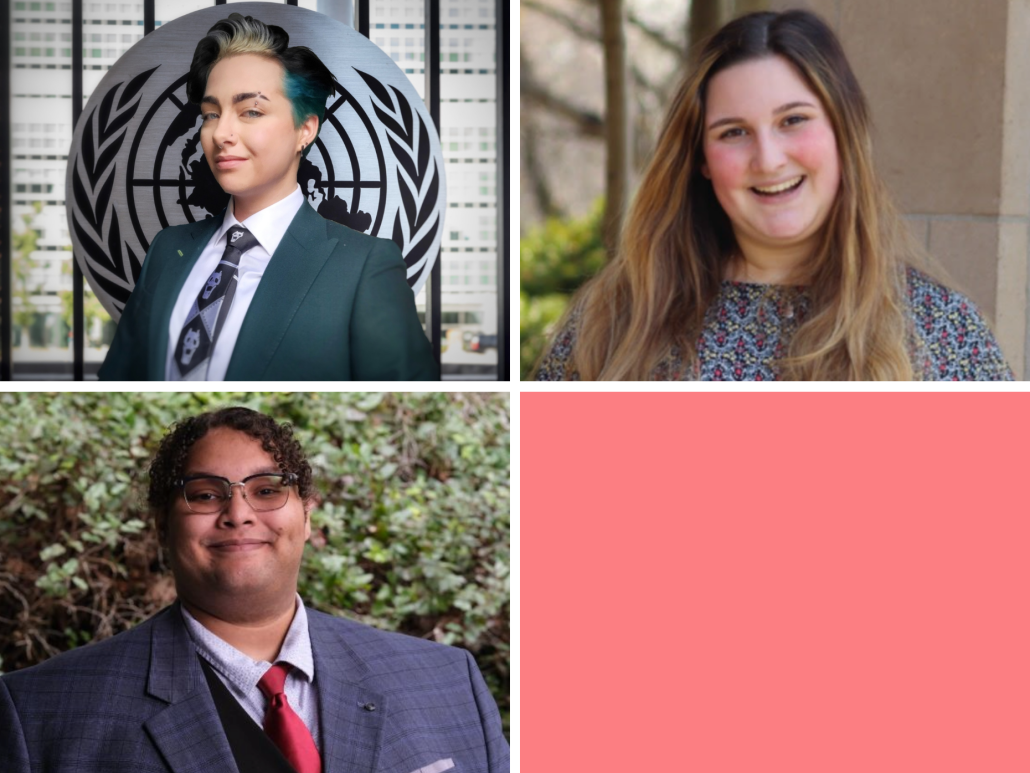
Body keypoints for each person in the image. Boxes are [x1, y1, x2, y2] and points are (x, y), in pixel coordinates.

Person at [0, 407, 508, 773]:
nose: (239, 513)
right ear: (161, 525)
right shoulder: (41, 714)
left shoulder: (446, 680)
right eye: (204, 494)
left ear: (307, 515)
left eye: (267, 490)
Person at [534, 10, 1014, 381]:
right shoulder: (616, 324)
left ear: (844, 134)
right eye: (733, 132)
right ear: (701, 159)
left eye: (793, 121)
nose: (768, 159)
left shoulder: (939, 331)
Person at [99, 13, 437, 381]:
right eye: (211, 114)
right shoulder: (168, 250)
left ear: (304, 130)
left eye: (252, 112)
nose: (221, 132)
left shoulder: (362, 267)